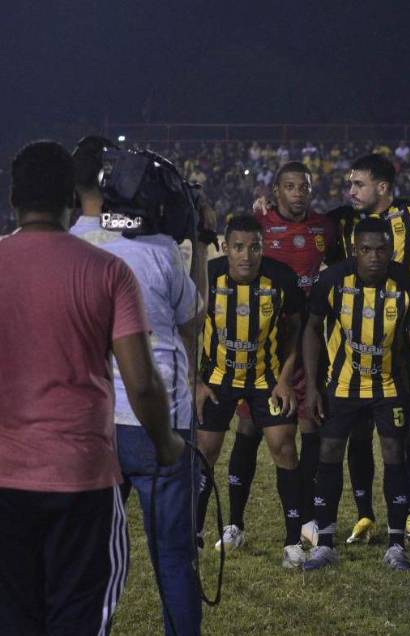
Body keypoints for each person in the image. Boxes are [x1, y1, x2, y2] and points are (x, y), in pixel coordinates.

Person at [0, 140, 184, 635]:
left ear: (13, 197)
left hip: (5, 476)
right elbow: (142, 383)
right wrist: (165, 441)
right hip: (80, 478)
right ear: (73, 197)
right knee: (79, 619)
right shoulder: (107, 272)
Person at [73, 136, 206, 635]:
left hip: (96, 420)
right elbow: (193, 318)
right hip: (158, 419)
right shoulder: (161, 251)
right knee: (173, 558)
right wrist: (202, 243)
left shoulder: (73, 244)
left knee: (90, 555)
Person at [325, 153, 410, 543]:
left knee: (407, 432)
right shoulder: (342, 219)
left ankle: (408, 511)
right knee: (358, 432)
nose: (351, 191)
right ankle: (365, 515)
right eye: (350, 184)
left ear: (382, 187)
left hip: (403, 340)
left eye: (358, 184)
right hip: (353, 345)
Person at [300, 217, 410, 571]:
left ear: (392, 250)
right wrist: (312, 386)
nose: (374, 257)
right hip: (343, 384)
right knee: (329, 451)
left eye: (382, 250)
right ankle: (325, 544)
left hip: (389, 385)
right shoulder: (332, 280)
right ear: (354, 250)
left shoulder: (409, 286)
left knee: (393, 453)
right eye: (367, 250)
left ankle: (396, 545)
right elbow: (312, 329)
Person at [192, 215, 307, 567]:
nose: (247, 255)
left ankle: (293, 542)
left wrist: (285, 379)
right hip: (217, 378)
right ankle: (194, 535)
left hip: (265, 379)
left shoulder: (281, 278)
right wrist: (195, 381)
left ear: (262, 247)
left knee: (284, 447)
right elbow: (185, 327)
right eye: (238, 247)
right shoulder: (207, 277)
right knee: (204, 452)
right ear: (225, 247)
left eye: (254, 247)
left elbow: (295, 331)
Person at [232, 162, 337, 548]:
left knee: (310, 425)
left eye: (303, 187)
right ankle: (235, 524)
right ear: (276, 191)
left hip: (307, 343)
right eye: (290, 187)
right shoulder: (261, 224)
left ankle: (306, 518)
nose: (298, 193)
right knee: (248, 429)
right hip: (264, 346)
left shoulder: (325, 228)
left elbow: (340, 263)